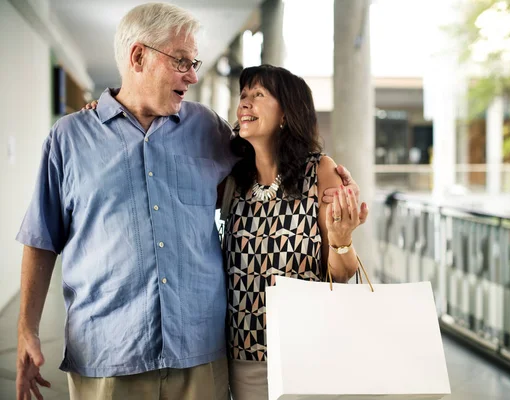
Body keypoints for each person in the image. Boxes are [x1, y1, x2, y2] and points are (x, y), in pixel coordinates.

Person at [16, 3, 361, 400]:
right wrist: (27, 329)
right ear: (138, 56)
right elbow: (41, 238)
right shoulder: (70, 138)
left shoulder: (207, 127)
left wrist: (325, 175)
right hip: (108, 354)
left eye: (194, 62)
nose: (193, 75)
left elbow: (269, 161)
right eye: (182, 61)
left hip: (199, 354)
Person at [223, 65, 367, 400]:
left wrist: (342, 240)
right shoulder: (231, 179)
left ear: (287, 112)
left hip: (308, 349)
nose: (245, 103)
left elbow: (342, 274)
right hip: (244, 353)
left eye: (258, 95)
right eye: (243, 95)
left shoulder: (319, 172)